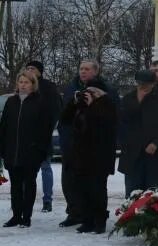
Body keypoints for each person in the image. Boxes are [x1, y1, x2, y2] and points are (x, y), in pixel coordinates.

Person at [57, 60, 118, 228]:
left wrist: (94, 103)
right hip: (79, 151)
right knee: (78, 185)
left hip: (99, 153)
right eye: (81, 68)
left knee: (97, 188)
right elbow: (64, 119)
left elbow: (108, 124)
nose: (82, 71)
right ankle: (83, 217)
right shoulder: (74, 92)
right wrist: (74, 102)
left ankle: (98, 220)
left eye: (87, 69)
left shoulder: (107, 100)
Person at [0, 71, 53, 227]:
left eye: (26, 82)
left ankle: (26, 217)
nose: (22, 85)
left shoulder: (40, 103)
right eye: (20, 82)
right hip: (12, 152)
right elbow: (4, 126)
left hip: (31, 152)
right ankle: (16, 215)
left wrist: (39, 149)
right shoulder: (11, 102)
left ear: (33, 84)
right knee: (15, 185)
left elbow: (45, 129)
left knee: (29, 184)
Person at [118, 69, 158, 194]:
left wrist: (157, 143)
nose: (142, 87)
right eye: (140, 84)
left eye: (146, 84)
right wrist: (139, 102)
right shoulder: (129, 99)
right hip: (133, 155)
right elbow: (122, 122)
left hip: (156, 156)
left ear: (153, 84)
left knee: (154, 195)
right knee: (133, 193)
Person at [24, 61, 61, 213]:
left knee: (45, 167)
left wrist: (49, 129)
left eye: (32, 68)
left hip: (43, 135)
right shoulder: (25, 86)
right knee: (26, 170)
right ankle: (26, 201)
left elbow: (56, 109)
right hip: (26, 136)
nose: (29, 70)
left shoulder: (49, 87)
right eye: (27, 68)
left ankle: (47, 200)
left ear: (40, 71)